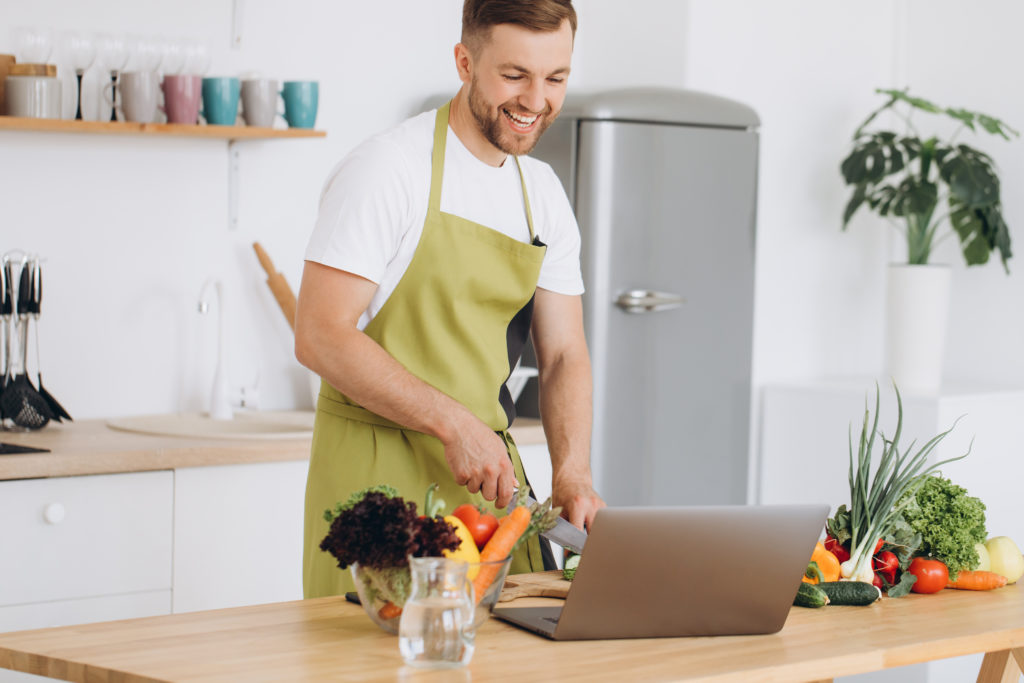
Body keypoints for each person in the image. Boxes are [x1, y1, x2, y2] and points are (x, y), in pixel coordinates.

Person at [296, 0, 604, 598]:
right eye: (514, 75)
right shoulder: (388, 170)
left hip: (487, 487)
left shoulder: (541, 193)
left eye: (556, 78)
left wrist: (572, 472)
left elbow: (565, 353)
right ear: (464, 62)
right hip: (376, 484)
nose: (536, 100)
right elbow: (320, 334)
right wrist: (454, 423)